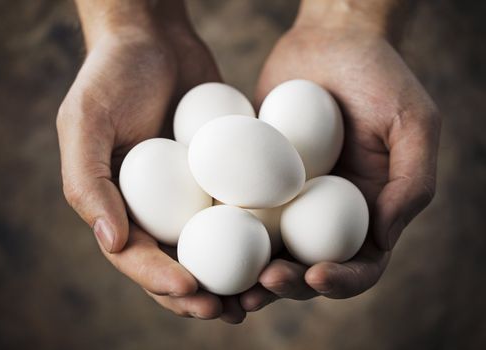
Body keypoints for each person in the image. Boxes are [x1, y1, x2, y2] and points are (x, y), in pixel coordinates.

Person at [56, 0, 441, 324]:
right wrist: (129, 25)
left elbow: (261, 168)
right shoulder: (222, 157)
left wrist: (351, 19)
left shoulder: (249, 164)